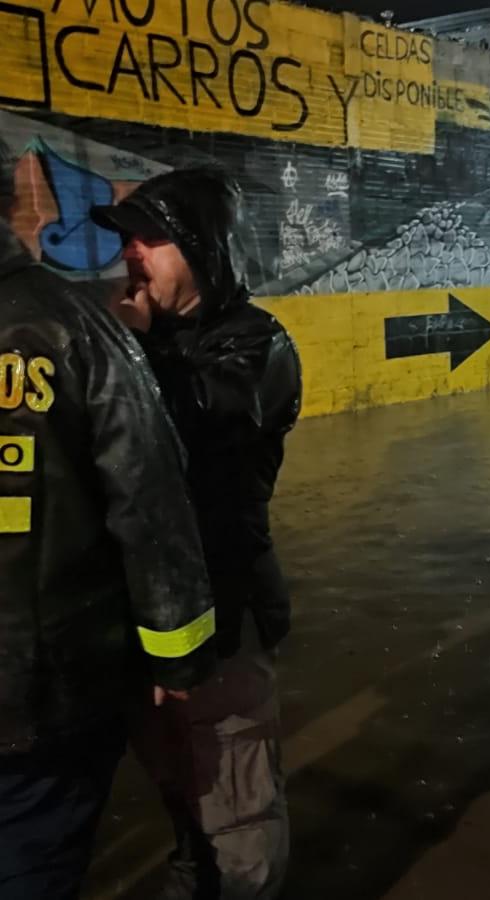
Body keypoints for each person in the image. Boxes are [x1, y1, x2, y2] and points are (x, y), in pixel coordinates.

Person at [0, 142, 215, 898]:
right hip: (44, 695)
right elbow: (150, 507)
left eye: (146, 237)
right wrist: (177, 661)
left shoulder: (240, 346)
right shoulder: (79, 331)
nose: (127, 252)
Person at [91, 168, 302, 899]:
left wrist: (133, 350)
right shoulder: (137, 343)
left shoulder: (259, 343)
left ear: (204, 250)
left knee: (238, 806)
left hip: (225, 612)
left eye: (152, 238)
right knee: (180, 793)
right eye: (128, 239)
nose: (133, 253)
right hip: (150, 625)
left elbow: (199, 422)